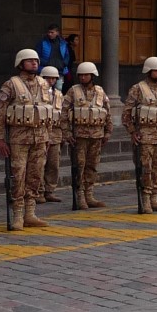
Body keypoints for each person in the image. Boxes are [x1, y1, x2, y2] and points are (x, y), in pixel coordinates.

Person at [0, 48, 51, 230]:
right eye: (29, 61)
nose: (34, 63)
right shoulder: (11, 85)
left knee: (35, 175)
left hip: (40, 137)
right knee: (18, 176)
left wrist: (48, 136)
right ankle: (18, 215)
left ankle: (30, 213)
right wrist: (0, 139)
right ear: (20, 64)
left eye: (36, 60)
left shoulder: (43, 84)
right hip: (19, 139)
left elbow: (48, 111)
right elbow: (0, 114)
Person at [123, 56, 157, 213]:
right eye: (156, 71)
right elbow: (127, 113)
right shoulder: (138, 89)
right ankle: (145, 199)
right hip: (145, 137)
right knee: (146, 168)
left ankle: (155, 198)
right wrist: (132, 132)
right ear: (148, 71)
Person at [63, 61, 113, 208]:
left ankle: (89, 194)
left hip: (97, 135)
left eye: (86, 75)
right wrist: (67, 133)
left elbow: (107, 112)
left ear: (92, 75)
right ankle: (80, 195)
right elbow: (63, 113)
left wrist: (108, 132)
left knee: (92, 165)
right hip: (79, 137)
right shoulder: (73, 91)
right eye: (81, 75)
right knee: (79, 165)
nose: (83, 77)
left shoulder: (100, 91)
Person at [39, 65, 65, 203]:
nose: (51, 81)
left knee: (53, 164)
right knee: (39, 164)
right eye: (48, 78)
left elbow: (64, 114)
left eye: (53, 78)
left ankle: (49, 190)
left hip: (55, 133)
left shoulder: (59, 95)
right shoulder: (37, 93)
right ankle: (38, 191)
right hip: (41, 133)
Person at [37, 24, 73, 88]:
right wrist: (47, 63)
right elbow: (38, 56)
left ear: (57, 33)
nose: (50, 34)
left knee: (58, 88)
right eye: (49, 32)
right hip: (46, 70)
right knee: (45, 88)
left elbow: (67, 55)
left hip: (59, 71)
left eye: (52, 32)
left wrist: (63, 64)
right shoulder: (42, 43)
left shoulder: (63, 43)